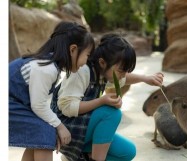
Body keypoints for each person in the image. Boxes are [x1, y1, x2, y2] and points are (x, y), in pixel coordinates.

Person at [51, 33, 164, 161]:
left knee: (128, 152)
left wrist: (145, 78)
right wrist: (102, 101)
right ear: (102, 62)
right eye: (121, 70)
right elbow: (68, 108)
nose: (123, 75)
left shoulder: (103, 72)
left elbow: (124, 78)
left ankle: (79, 157)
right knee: (111, 113)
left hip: (83, 130)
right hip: (65, 130)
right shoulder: (83, 71)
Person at [9, 21, 95, 161]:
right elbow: (39, 105)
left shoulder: (49, 65)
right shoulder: (46, 68)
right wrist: (60, 126)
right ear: (73, 50)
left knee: (42, 129)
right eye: (87, 54)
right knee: (45, 130)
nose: (87, 61)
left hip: (12, 103)